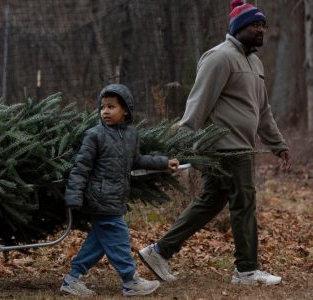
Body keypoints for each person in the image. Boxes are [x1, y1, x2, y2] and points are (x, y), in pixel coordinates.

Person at [137, 0, 292, 286]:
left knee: (211, 201)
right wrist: (182, 140)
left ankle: (160, 251)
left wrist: (277, 144)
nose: (261, 30)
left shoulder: (254, 62)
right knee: (244, 203)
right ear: (238, 27)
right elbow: (198, 101)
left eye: (263, 25)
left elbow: (263, 109)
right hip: (224, 147)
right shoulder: (219, 57)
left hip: (241, 146)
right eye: (255, 25)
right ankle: (246, 270)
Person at [60, 83, 180, 297]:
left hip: (116, 197)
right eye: (103, 107)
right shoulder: (94, 135)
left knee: (98, 242)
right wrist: (74, 195)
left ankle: (72, 278)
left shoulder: (131, 135)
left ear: (125, 110)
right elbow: (81, 166)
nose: (105, 111)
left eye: (111, 107)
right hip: (101, 198)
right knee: (119, 237)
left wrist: (163, 162)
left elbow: (136, 160)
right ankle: (129, 280)